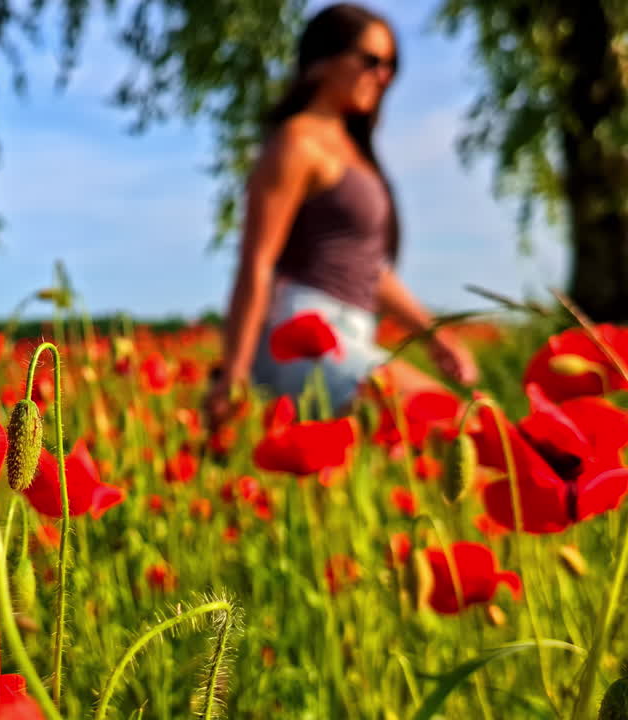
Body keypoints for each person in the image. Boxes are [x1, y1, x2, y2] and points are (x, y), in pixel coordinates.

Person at [204, 2, 478, 426]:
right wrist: (235, 374)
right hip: (301, 333)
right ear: (321, 62)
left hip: (356, 333)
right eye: (371, 61)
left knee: (457, 433)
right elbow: (257, 262)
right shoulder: (296, 142)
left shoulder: (355, 154)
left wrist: (434, 336)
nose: (384, 77)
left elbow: (371, 271)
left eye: (391, 66)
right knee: (458, 424)